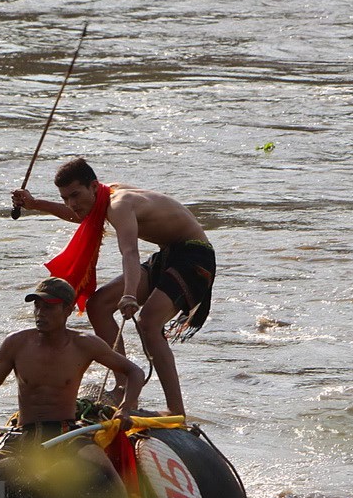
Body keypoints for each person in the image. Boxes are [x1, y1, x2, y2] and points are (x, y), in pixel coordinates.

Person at [11, 158, 215, 417]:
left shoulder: (119, 205)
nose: (71, 204)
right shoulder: (104, 196)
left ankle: (176, 411)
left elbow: (129, 252)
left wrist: (130, 294)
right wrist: (35, 204)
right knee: (98, 305)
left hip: (195, 257)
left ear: (94, 186)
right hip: (168, 254)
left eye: (75, 195)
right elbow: (80, 214)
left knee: (148, 323)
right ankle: (123, 384)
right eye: (65, 198)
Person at [0, 277, 144, 438]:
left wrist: (125, 408)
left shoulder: (85, 344)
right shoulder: (15, 343)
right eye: (37, 306)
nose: (40, 314)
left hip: (67, 432)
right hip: (24, 431)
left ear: (67, 311)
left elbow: (135, 371)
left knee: (105, 468)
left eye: (48, 307)